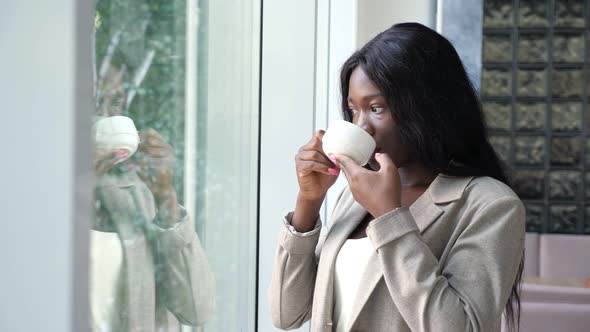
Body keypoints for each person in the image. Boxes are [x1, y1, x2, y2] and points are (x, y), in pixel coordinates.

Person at [269, 23, 525, 332]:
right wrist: (308, 203)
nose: (361, 127)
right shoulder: (355, 196)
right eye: (353, 110)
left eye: (376, 108)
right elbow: (287, 315)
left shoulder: (489, 205)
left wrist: (390, 217)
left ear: (427, 106)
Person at [91, 127, 215, 331]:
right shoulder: (44, 203)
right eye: (97, 103)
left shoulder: (142, 197)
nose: (105, 114)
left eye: (115, 103)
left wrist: (165, 196)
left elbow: (197, 309)